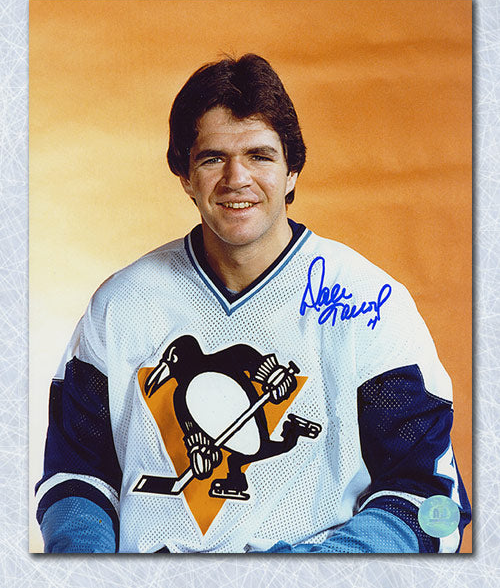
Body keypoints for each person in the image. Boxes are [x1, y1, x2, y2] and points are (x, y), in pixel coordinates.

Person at [35, 53, 471, 553]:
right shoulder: (121, 304)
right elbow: (75, 477)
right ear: (185, 176)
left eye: (260, 156)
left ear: (292, 171)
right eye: (212, 158)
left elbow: (431, 501)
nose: (236, 178)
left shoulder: (370, 303)